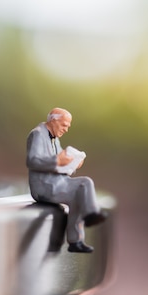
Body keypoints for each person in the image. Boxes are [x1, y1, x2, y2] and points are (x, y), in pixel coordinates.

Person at [26, 107, 107, 253]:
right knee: (81, 188)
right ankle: (89, 216)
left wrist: (74, 163)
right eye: (64, 125)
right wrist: (57, 160)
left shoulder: (55, 139)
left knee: (85, 183)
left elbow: (62, 162)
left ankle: (76, 239)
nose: (66, 130)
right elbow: (33, 161)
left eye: (68, 126)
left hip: (57, 181)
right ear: (53, 120)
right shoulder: (37, 134)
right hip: (44, 186)